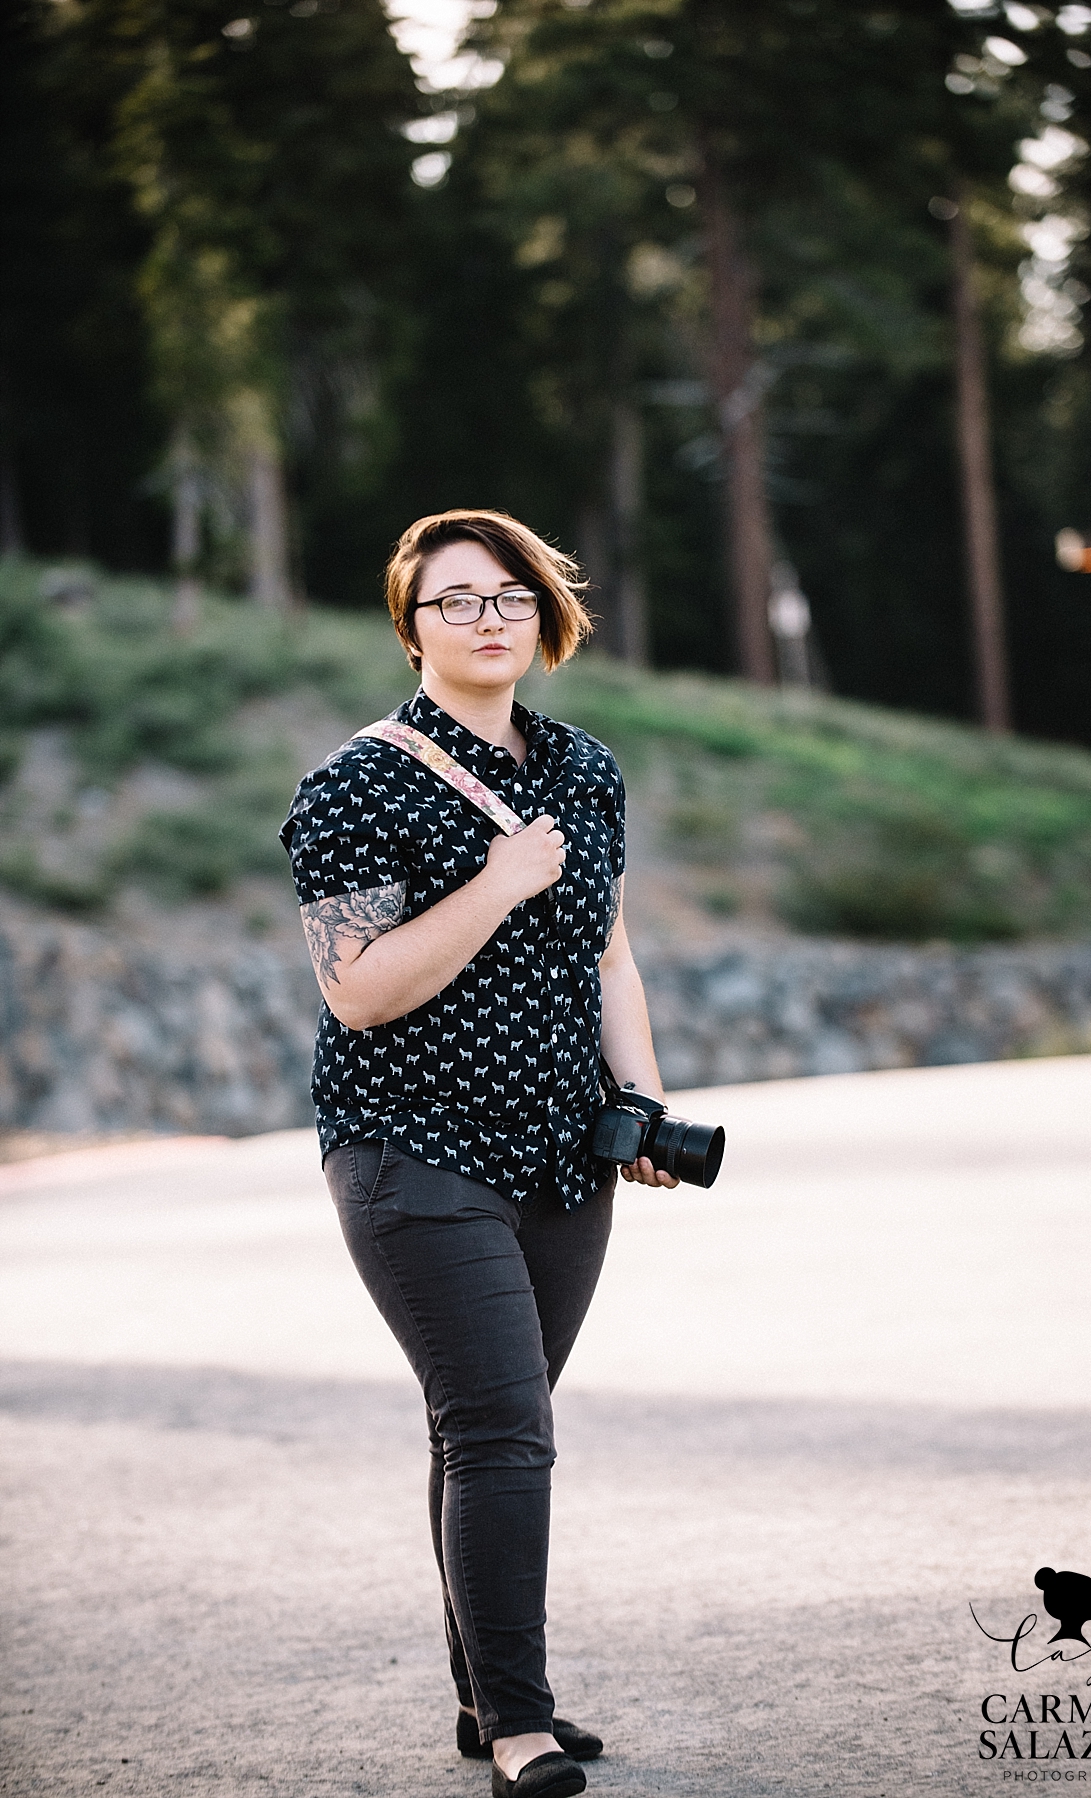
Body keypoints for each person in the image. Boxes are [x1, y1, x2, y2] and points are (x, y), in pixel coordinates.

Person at [280, 509, 677, 1798]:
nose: (489, 617)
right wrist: (500, 882)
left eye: (511, 594)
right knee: (503, 1426)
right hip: (413, 1152)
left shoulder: (586, 772)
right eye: (454, 601)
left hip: (562, 1155)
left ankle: (481, 1696)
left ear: (546, 615)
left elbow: (609, 955)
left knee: (490, 1426)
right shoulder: (355, 784)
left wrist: (645, 1101)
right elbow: (358, 990)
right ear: (410, 629)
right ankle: (520, 1724)